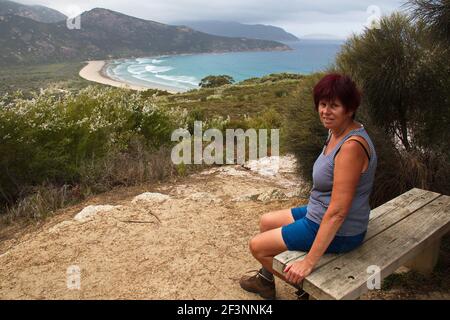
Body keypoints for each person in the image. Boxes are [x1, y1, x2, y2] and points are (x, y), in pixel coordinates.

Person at [239, 73, 378, 299]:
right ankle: (266, 281)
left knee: (257, 246)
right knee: (266, 221)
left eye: (334, 105)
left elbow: (338, 212)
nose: (325, 111)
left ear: (350, 109)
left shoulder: (351, 147)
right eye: (322, 104)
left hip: (341, 230)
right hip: (319, 212)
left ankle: (309, 291)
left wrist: (308, 261)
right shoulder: (336, 131)